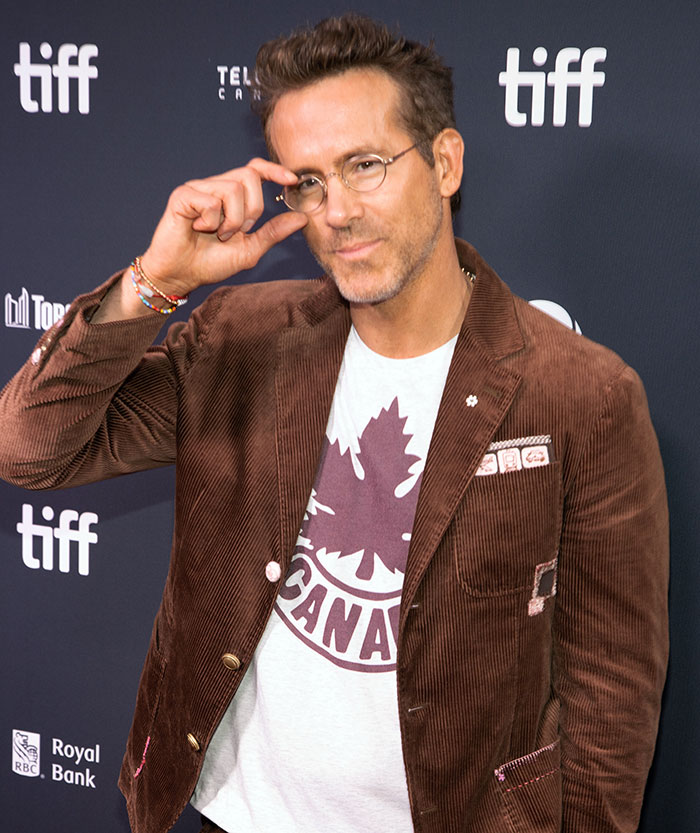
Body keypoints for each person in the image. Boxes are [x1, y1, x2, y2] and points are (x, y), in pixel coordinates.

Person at [0, 14, 668, 833]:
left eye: (366, 165)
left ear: (446, 162)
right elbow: (31, 448)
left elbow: (611, 696)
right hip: (228, 816)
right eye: (308, 182)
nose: (338, 210)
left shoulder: (583, 394)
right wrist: (156, 280)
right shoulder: (237, 341)